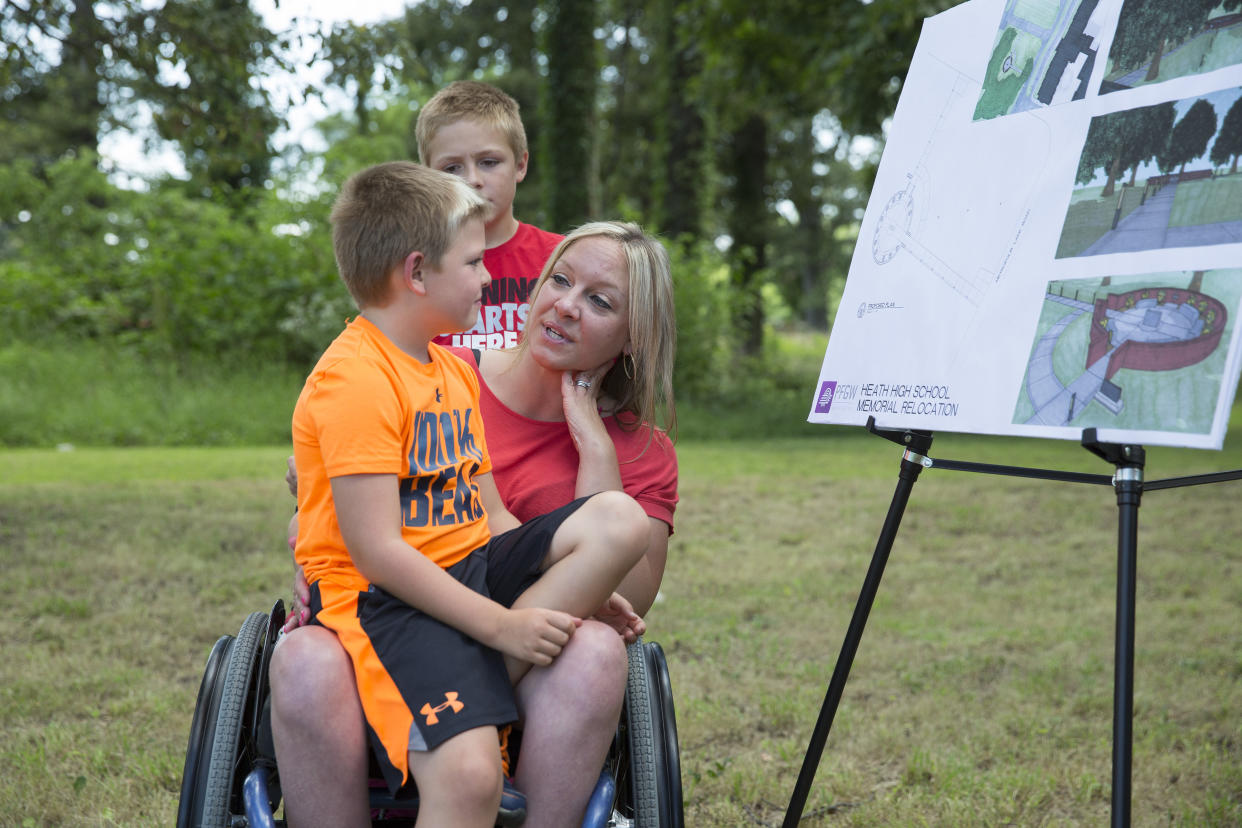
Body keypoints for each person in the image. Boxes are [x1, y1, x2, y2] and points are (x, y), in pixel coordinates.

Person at [272, 220, 679, 827]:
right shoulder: (441, 366)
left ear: (634, 337)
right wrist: (312, 537)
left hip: (522, 655)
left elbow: (626, 597)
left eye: (598, 302)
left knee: (596, 647)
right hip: (398, 604)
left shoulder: (644, 451)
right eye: (559, 281)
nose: (566, 307)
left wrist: (594, 444)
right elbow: (317, 475)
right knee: (303, 658)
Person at [417, 80, 563, 351]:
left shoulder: (562, 259)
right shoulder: (416, 270)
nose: (472, 180)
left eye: (489, 162)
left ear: (520, 165)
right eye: (451, 168)